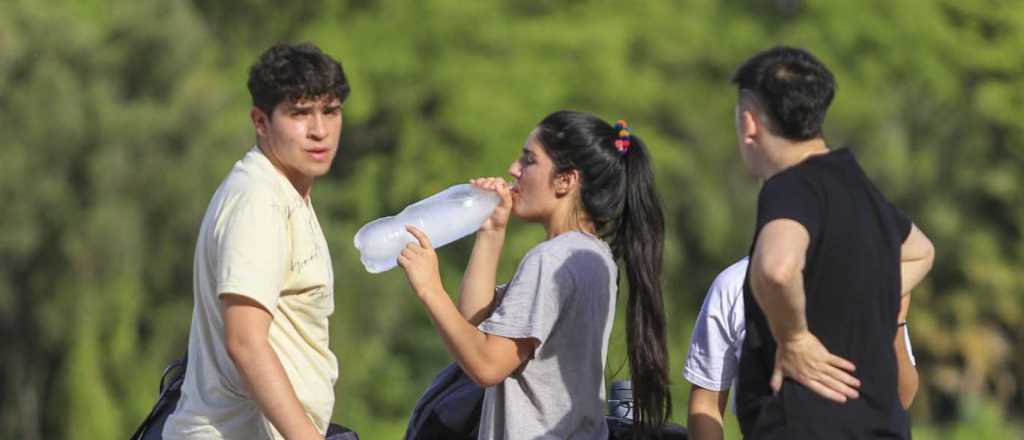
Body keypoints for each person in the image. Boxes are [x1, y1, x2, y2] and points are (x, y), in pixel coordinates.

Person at [396, 110, 672, 439]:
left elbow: (485, 365)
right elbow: (477, 324)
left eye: (529, 160)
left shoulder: (552, 260)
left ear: (566, 181)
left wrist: (430, 289)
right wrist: (492, 230)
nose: (514, 169)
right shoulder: (593, 256)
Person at [730, 46, 935, 439]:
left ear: (749, 122)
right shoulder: (859, 186)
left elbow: (777, 267)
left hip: (807, 424)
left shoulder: (790, 185)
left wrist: (795, 338)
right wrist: (859, 300)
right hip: (881, 426)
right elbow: (921, 251)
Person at [163, 42, 351, 440]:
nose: (319, 130)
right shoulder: (258, 200)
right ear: (261, 121)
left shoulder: (285, 191)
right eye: (299, 113)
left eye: (330, 111)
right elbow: (245, 340)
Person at [683, 257, 920, 440]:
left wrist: (896, 319)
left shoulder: (867, 278)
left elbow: (902, 396)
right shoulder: (733, 284)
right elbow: (707, 403)